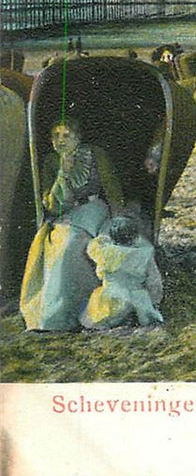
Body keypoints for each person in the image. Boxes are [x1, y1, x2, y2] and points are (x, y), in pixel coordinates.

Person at [20, 117, 123, 331]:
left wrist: (117, 216)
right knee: (55, 244)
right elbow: (51, 204)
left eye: (66, 135)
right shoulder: (50, 161)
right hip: (65, 214)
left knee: (73, 244)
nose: (61, 141)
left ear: (78, 137)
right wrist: (62, 173)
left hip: (94, 210)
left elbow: (112, 186)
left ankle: (83, 310)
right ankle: (54, 316)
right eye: (56, 136)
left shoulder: (95, 154)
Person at [80, 216, 164, 329]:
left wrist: (103, 238)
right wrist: (155, 301)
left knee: (100, 316)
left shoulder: (104, 252)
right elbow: (154, 281)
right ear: (135, 237)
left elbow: (92, 247)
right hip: (138, 297)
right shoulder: (145, 253)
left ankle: (119, 321)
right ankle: (136, 318)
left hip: (112, 296)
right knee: (147, 316)